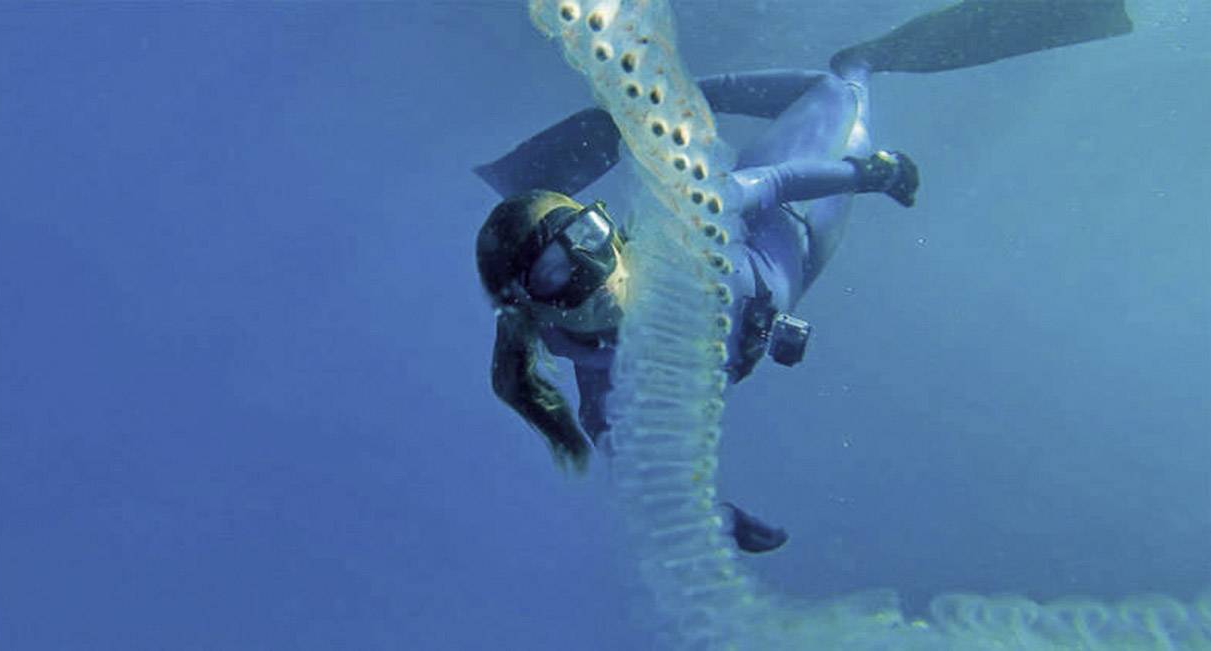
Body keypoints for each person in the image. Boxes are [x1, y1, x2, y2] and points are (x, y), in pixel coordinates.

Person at [474, 1, 1132, 553]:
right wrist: (719, 521)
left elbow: (776, 180)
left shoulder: (680, 231)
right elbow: (649, 483)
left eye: (588, 238)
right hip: (800, 257)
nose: (594, 269)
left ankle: (860, 58)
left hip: (791, 219)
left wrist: (870, 174)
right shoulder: (603, 391)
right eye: (559, 270)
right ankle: (710, 99)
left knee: (844, 79)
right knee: (830, 83)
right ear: (535, 306)